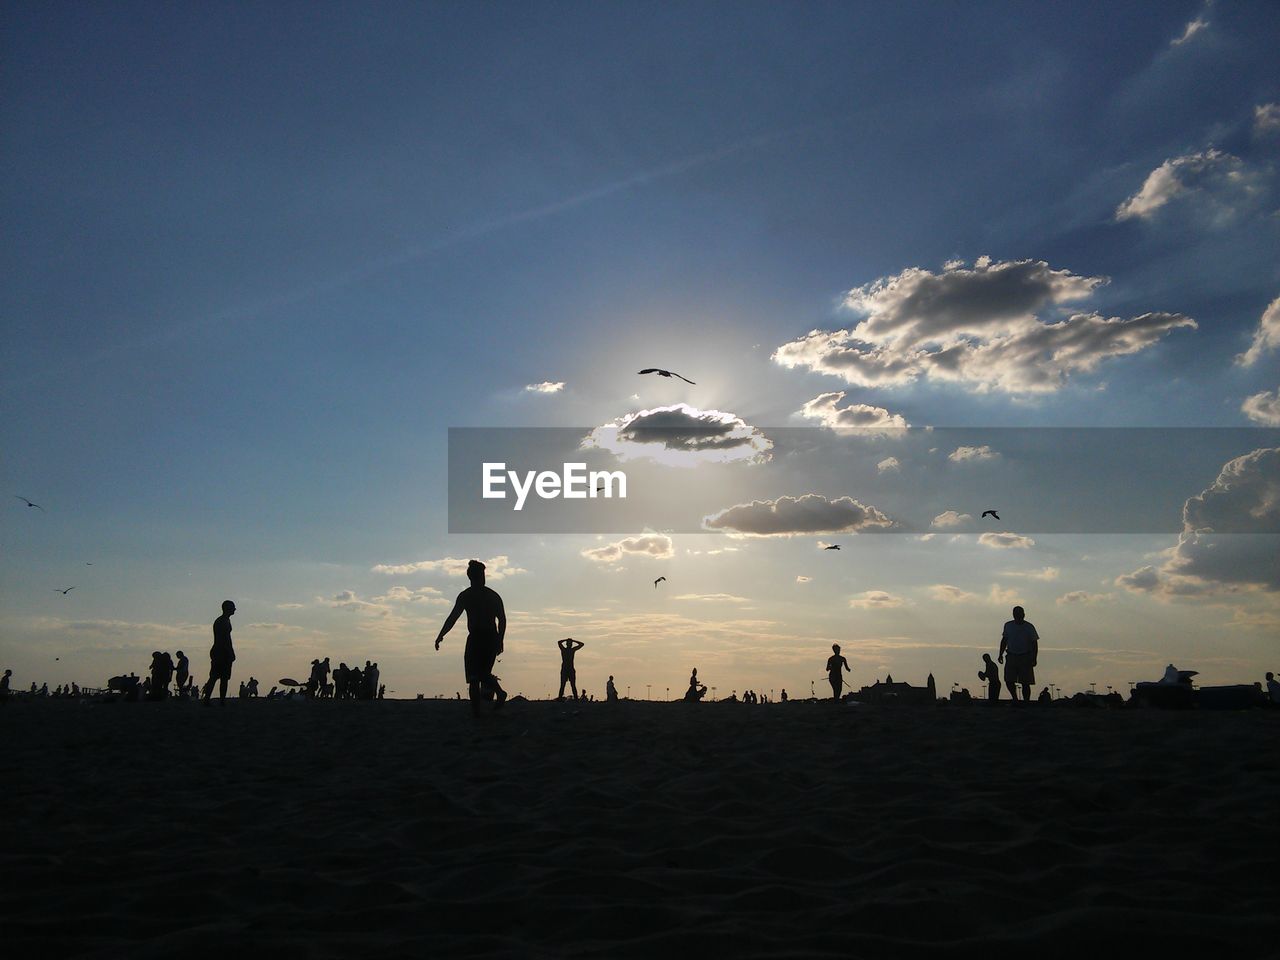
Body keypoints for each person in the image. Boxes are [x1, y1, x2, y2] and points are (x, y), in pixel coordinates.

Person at [435, 560, 508, 714]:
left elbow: (502, 618)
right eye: (480, 575)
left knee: (478, 675)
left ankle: (498, 694)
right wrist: (441, 635)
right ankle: (478, 711)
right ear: (474, 577)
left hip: (488, 637)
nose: (483, 577)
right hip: (476, 638)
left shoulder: (491, 596)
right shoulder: (467, 596)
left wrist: (500, 639)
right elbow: (453, 617)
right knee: (474, 677)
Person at [997, 605, 1039, 704]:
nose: (1018, 616)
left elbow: (1034, 643)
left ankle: (1026, 701)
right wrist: (1000, 654)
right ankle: (1015, 698)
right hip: (1011, 655)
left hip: (1025, 656)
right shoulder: (1008, 625)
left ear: (1024, 615)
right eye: (1016, 614)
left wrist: (1034, 658)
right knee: (1009, 679)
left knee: (1025, 682)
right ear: (1013, 615)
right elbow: (1004, 640)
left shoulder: (1029, 627)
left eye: (1020, 614)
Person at [202, 600, 236, 704]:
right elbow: (225, 639)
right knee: (218, 677)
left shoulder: (224, 620)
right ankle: (213, 700)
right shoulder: (222, 621)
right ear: (227, 609)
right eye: (233, 607)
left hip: (219, 651)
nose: (234, 609)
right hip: (221, 652)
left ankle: (216, 699)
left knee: (219, 677)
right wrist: (230, 652)